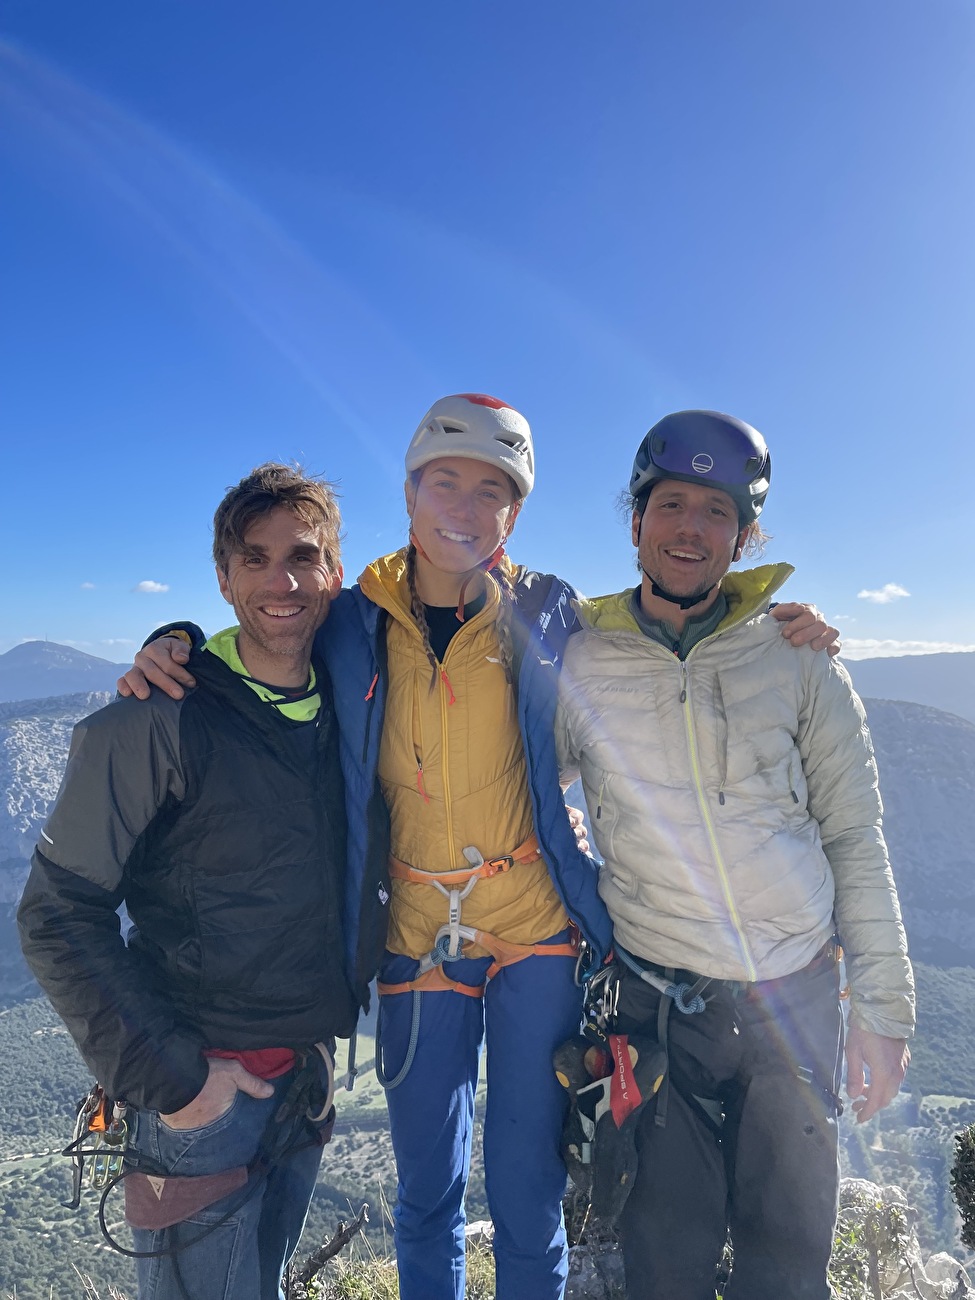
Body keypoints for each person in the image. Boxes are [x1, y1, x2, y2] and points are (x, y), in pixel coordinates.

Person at [120, 395, 839, 1300]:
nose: (463, 505)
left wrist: (778, 619)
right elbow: (267, 631)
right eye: (444, 481)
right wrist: (172, 643)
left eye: (491, 489)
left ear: (517, 511)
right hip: (417, 933)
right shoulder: (352, 619)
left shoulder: (548, 615)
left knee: (528, 1190)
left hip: (533, 925)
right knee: (427, 1190)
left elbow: (663, 634)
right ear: (412, 490)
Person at [554, 410, 915, 1300]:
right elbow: (513, 787)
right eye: (669, 503)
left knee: (789, 1265)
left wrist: (885, 1009)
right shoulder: (580, 660)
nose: (689, 528)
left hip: (792, 998)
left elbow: (854, 837)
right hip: (656, 1000)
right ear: (634, 520)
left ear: (745, 535)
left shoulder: (798, 660)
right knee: (663, 1264)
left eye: (715, 512)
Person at [18, 464, 387, 1300]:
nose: (280, 581)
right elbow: (54, 913)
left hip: (301, 1077)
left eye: (303, 556)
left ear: (334, 571)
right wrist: (177, 1083)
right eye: (253, 560)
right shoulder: (154, 718)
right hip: (200, 1094)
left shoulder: (348, 707)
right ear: (222, 577)